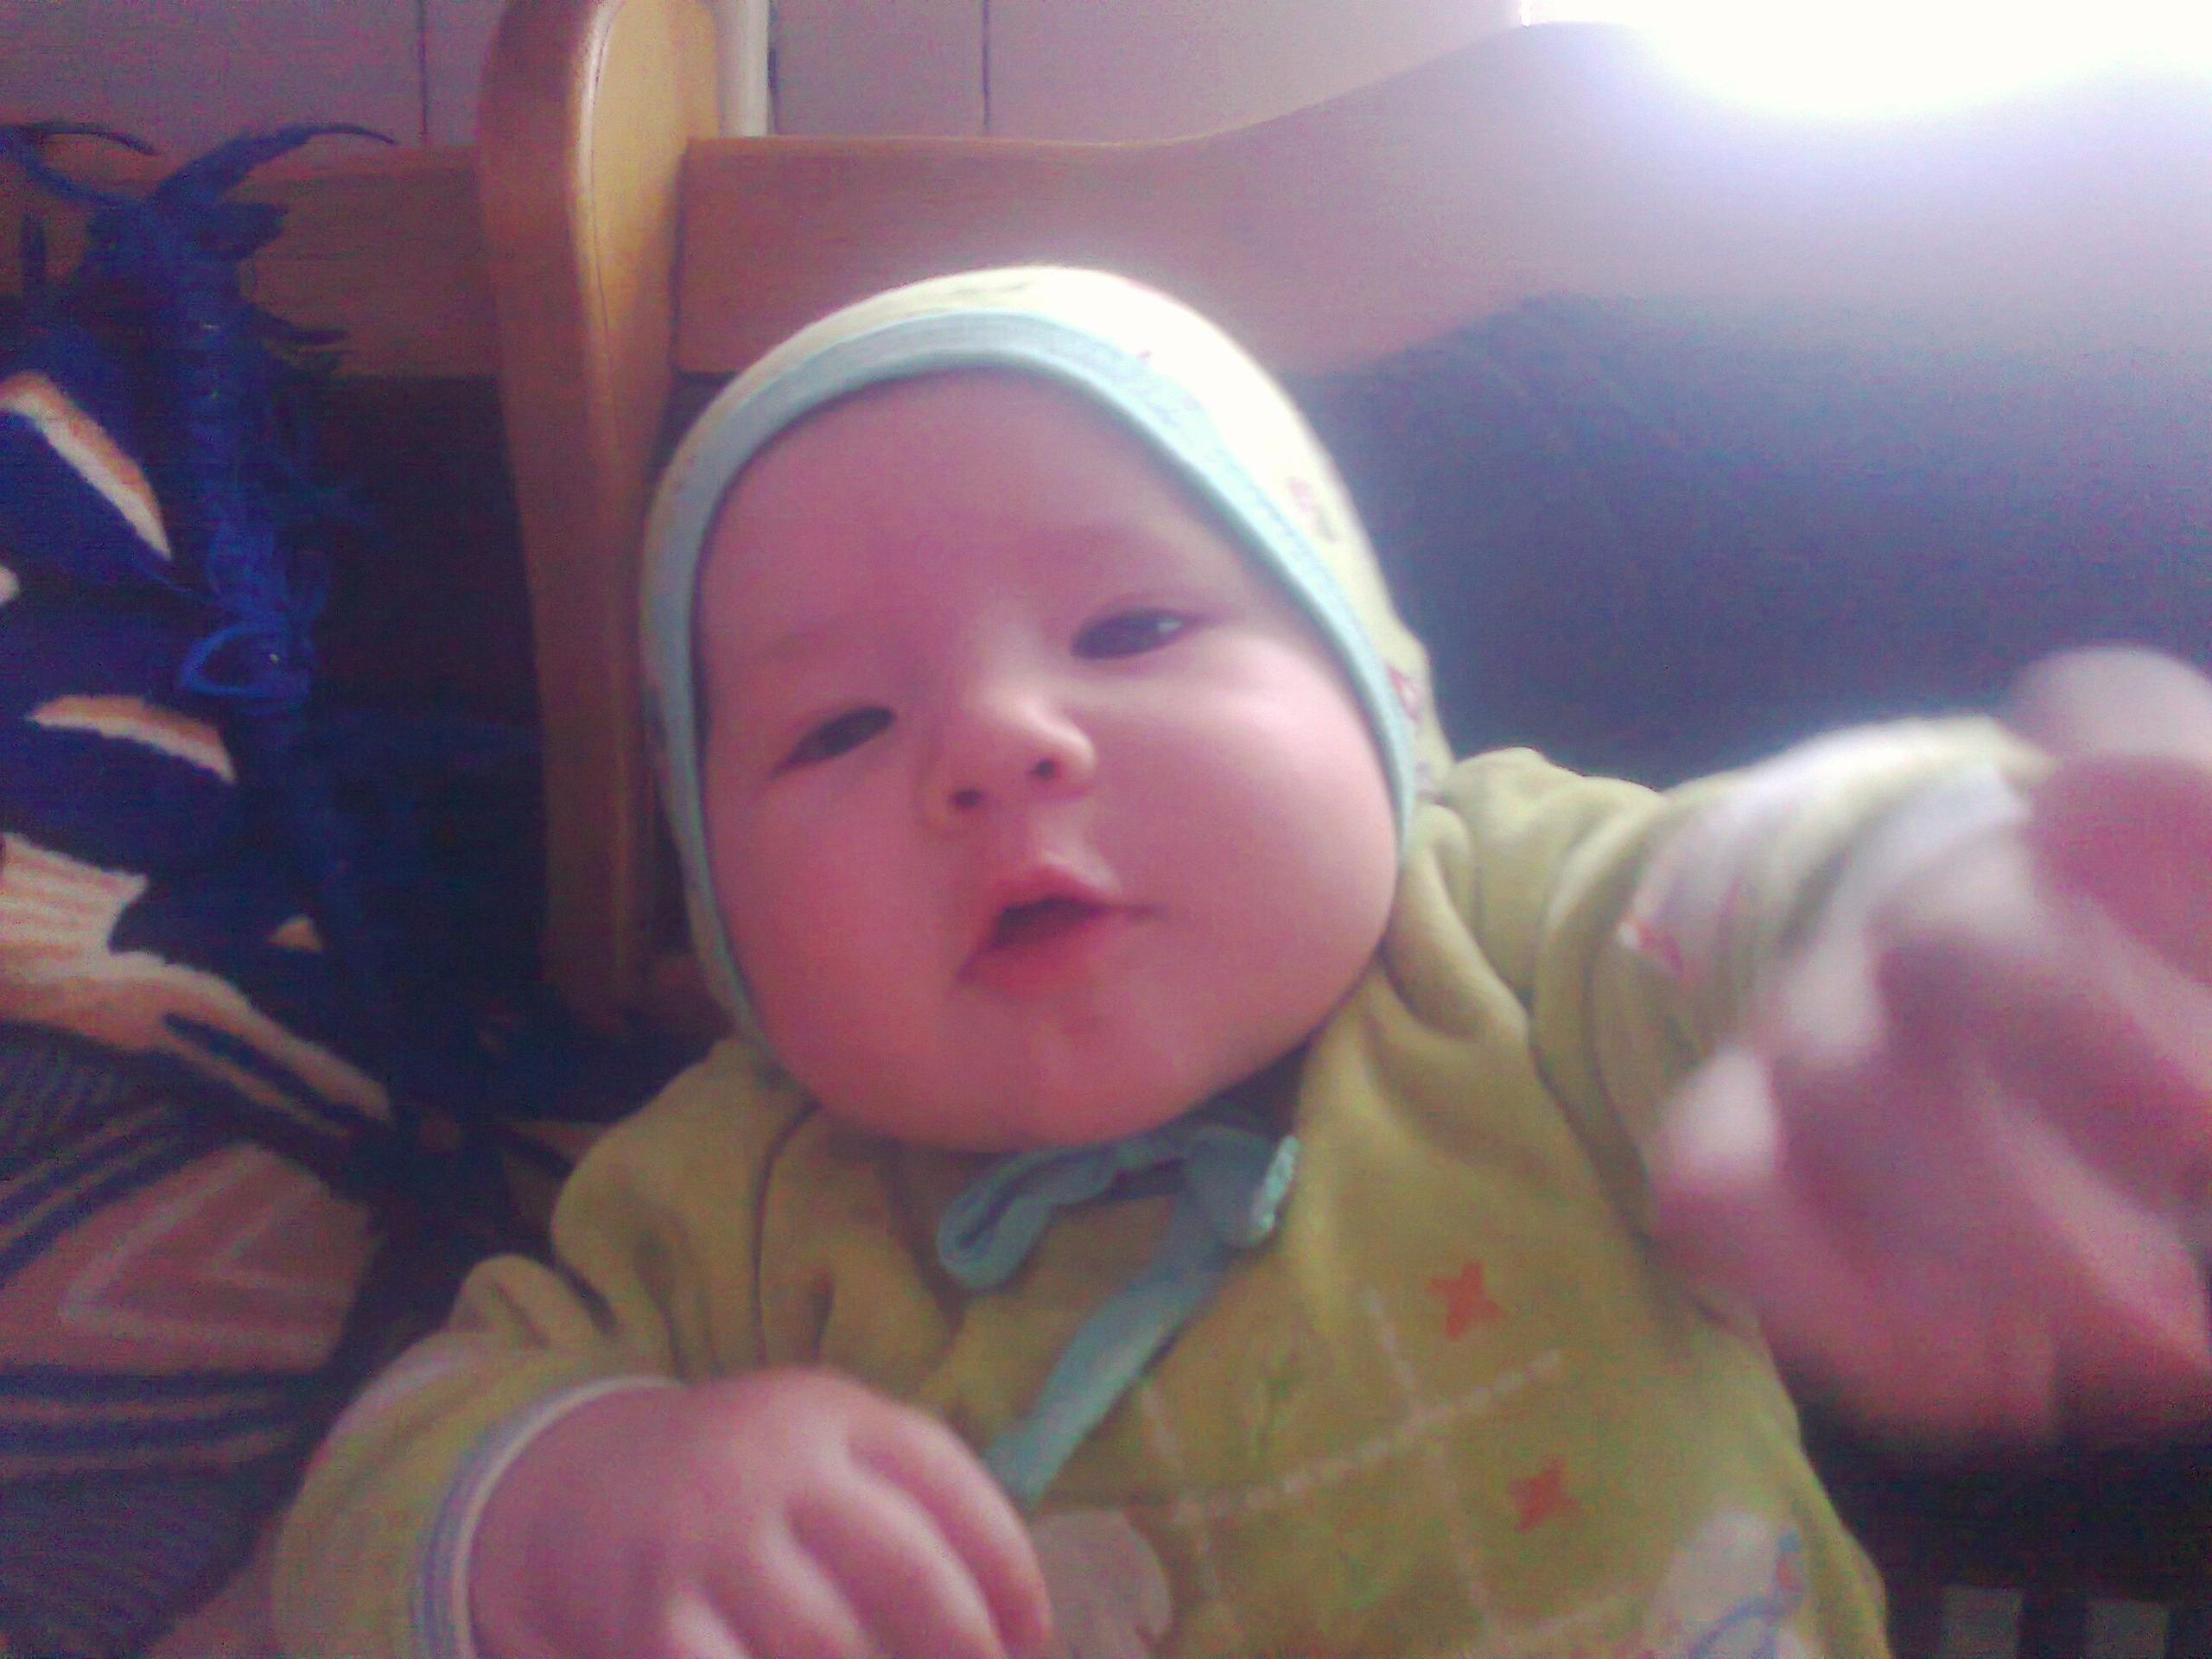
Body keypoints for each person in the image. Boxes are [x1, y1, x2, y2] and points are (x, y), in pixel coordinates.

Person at [274, 267, 2212, 1659]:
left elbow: (1731, 876)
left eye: (1129, 628)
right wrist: (586, 1494)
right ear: (723, 921)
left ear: (1384, 709)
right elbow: (369, 1495)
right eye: (838, 728)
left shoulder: (1508, 936)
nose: (994, 745)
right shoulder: (727, 1196)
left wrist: (1920, 887)